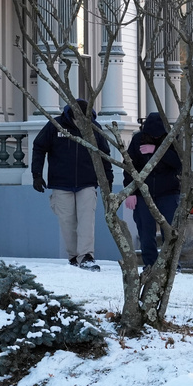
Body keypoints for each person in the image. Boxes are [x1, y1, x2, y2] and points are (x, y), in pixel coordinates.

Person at [31, 100, 113, 272]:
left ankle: (86, 256)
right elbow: (39, 147)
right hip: (61, 182)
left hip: (87, 182)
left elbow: (105, 154)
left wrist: (108, 181)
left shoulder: (94, 128)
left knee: (86, 221)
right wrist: (36, 175)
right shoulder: (56, 125)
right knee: (67, 222)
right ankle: (74, 256)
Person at [123, 112, 182, 268]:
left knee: (170, 231)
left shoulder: (171, 139)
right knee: (145, 232)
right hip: (143, 193)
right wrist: (130, 193)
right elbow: (129, 167)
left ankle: (171, 264)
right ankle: (150, 264)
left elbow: (179, 163)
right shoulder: (137, 140)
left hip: (168, 193)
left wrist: (156, 151)